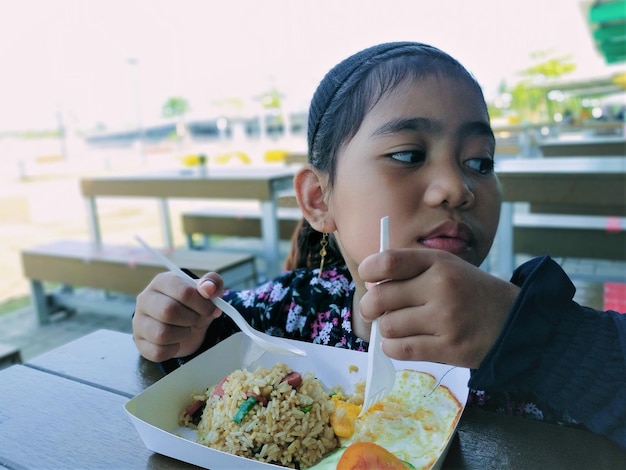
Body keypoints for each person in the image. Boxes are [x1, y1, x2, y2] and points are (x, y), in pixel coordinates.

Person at [132, 42, 626, 449]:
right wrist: (182, 329)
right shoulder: (290, 311)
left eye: (480, 161)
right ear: (319, 199)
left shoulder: (524, 324)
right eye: (409, 154)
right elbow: (218, 343)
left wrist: (532, 336)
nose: (456, 188)